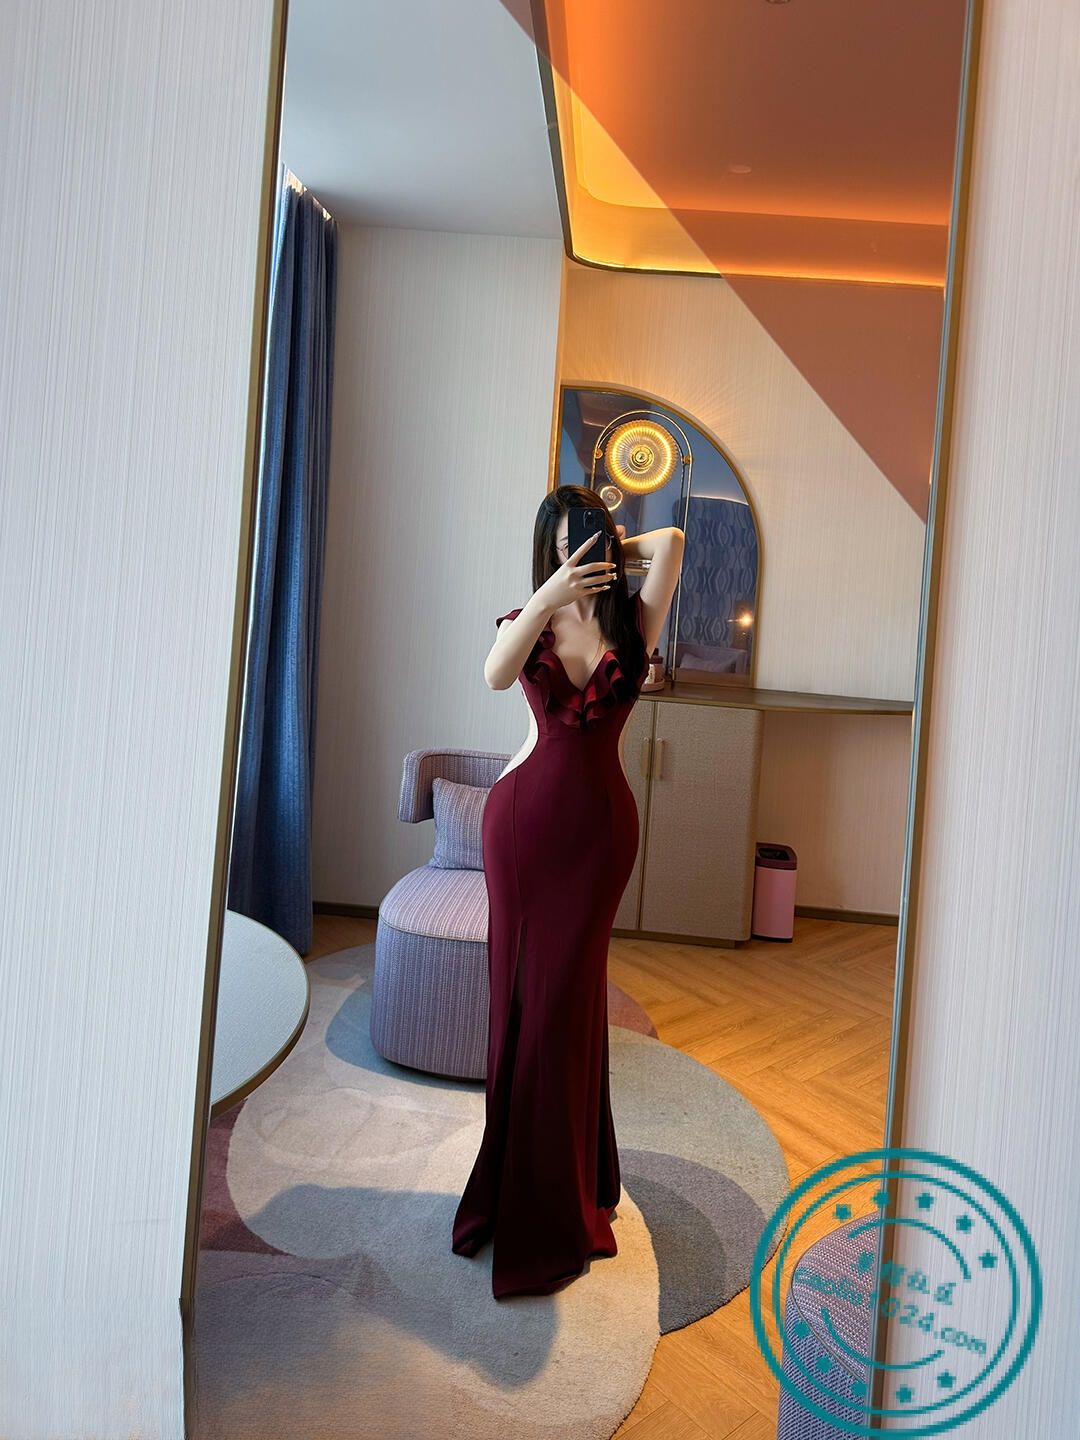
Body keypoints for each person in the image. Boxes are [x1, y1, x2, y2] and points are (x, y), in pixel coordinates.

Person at [451, 484, 685, 1298]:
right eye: (561, 543)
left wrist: (611, 545)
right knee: (523, 1010)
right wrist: (551, 591)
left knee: (569, 1012)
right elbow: (493, 676)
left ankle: (567, 1193)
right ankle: (516, 1193)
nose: (575, 553)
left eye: (587, 538)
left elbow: (674, 541)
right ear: (544, 555)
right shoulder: (532, 622)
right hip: (522, 831)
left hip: (598, 841)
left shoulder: (633, 621)